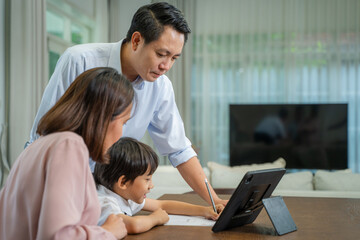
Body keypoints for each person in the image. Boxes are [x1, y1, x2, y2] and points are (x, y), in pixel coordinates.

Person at [27, 2, 227, 206]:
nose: (166, 66)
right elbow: (44, 135)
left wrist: (215, 201)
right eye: (161, 54)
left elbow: (179, 149)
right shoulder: (80, 61)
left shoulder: (160, 86)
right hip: (60, 185)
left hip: (107, 195)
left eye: (174, 58)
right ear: (137, 40)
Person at [0, 67, 134, 239]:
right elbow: (59, 235)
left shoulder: (40, 146)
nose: (122, 134)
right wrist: (108, 232)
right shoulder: (69, 146)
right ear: (104, 117)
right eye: (123, 122)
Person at [93, 137, 224, 234]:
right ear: (123, 182)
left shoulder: (122, 194)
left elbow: (163, 205)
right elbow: (132, 225)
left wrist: (204, 211)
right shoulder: (105, 202)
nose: (152, 185)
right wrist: (155, 219)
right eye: (147, 179)